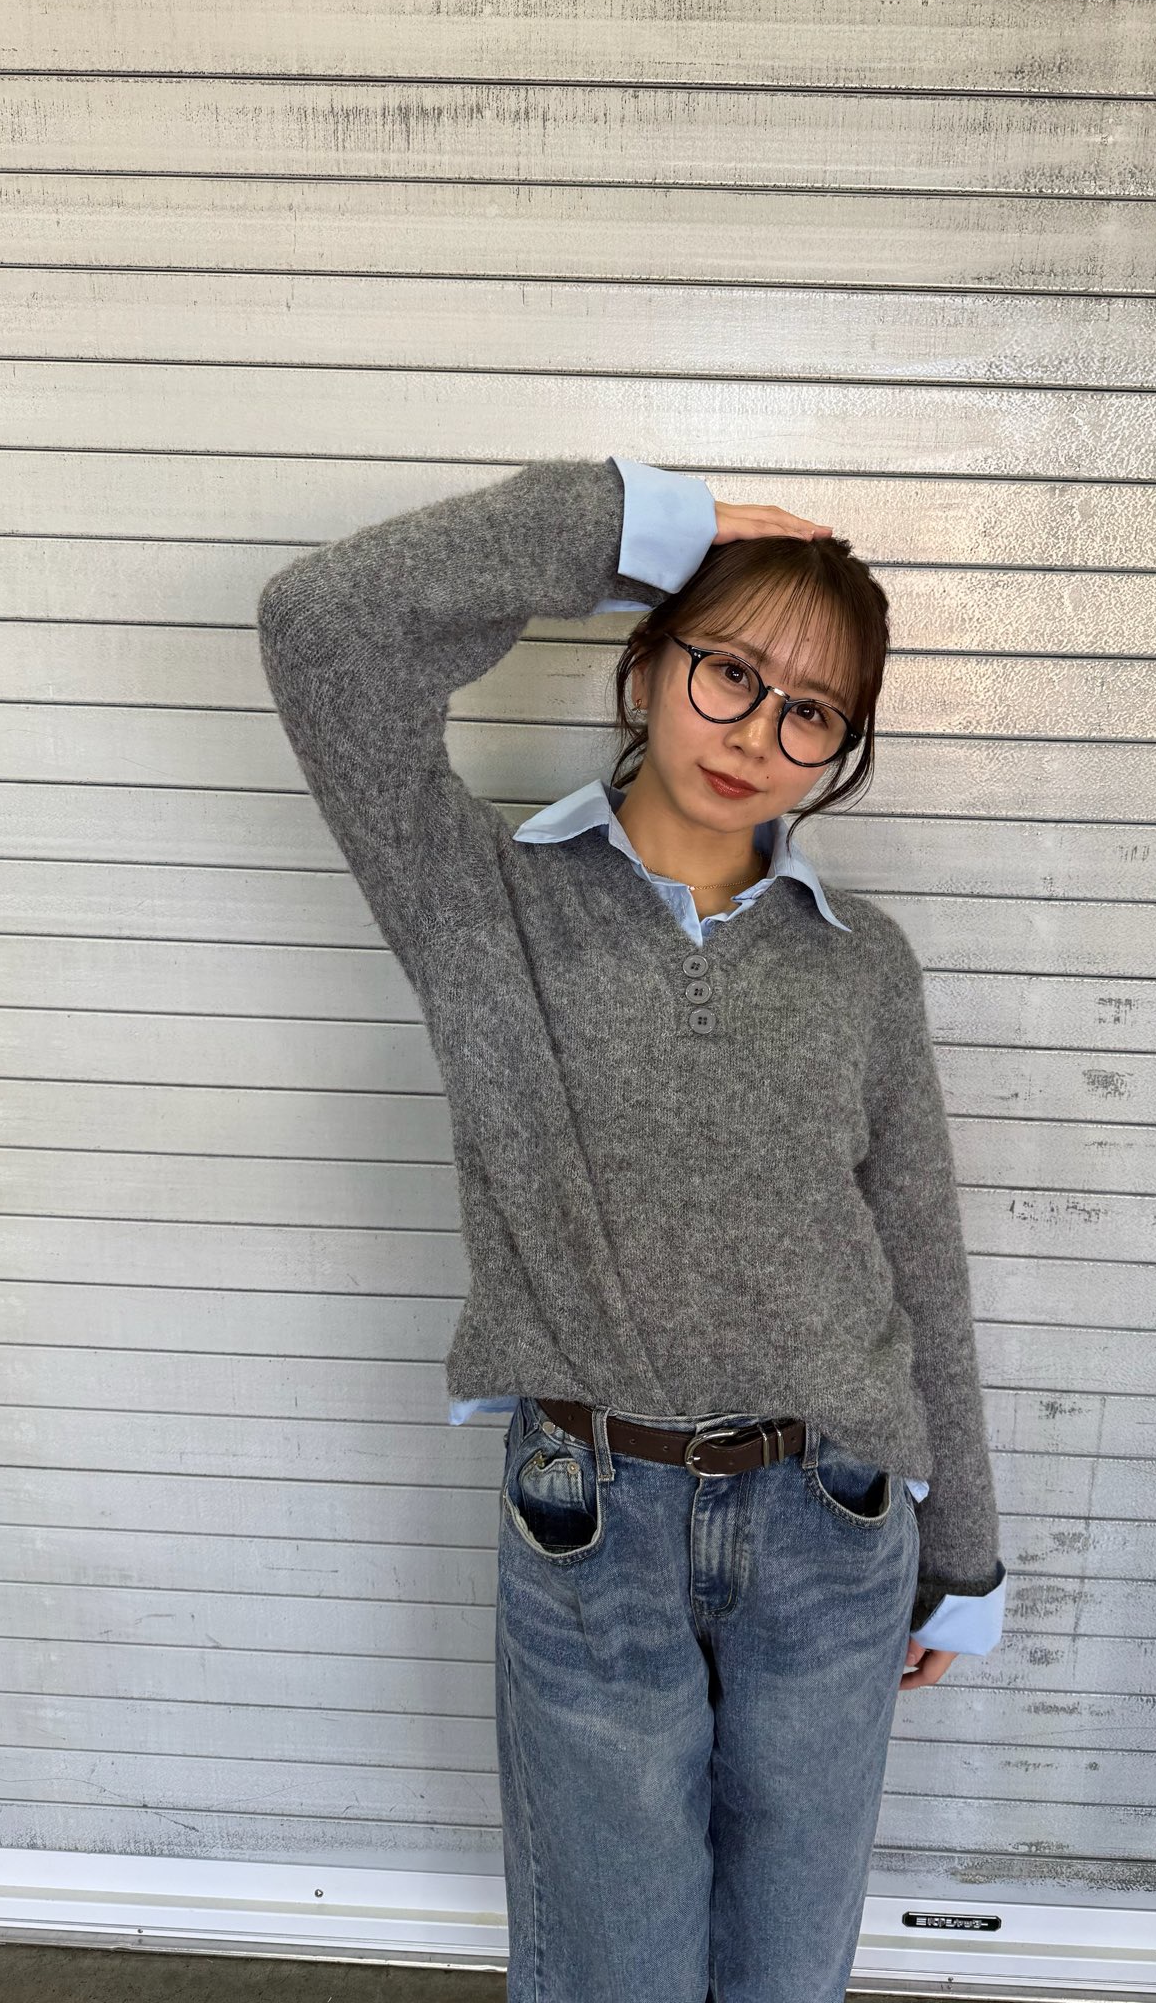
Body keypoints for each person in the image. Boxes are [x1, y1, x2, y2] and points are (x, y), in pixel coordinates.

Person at [256, 455, 1008, 2003]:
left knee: (788, 1971)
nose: (758, 734)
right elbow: (324, 627)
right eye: (731, 672)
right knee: (614, 1971)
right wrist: (637, 525)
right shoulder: (481, 903)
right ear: (647, 661)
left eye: (812, 712)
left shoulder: (863, 964)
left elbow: (921, 1259)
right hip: (589, 1524)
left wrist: (966, 1553)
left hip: (836, 1523)